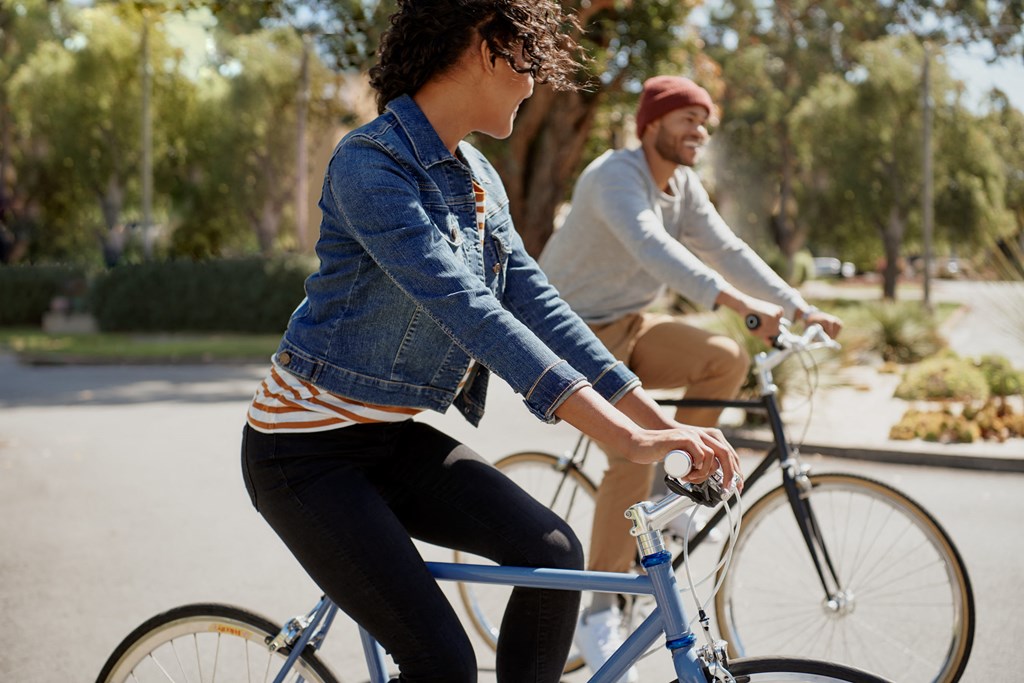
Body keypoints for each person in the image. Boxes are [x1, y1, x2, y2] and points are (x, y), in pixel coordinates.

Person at [240, 6, 741, 682]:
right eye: (528, 65)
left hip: (386, 441)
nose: (534, 84)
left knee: (556, 553)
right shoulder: (371, 166)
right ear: (486, 50)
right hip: (301, 455)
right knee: (442, 661)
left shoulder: (476, 177)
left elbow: (539, 308)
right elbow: (471, 312)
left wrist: (656, 422)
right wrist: (622, 439)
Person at [538, 75, 843, 680]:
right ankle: (598, 610)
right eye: (687, 119)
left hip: (628, 322)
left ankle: (670, 493)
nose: (699, 132)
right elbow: (656, 251)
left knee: (722, 359)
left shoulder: (682, 186)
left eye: (705, 122)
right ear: (651, 125)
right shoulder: (612, 176)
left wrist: (797, 305)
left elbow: (727, 249)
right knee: (634, 452)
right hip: (570, 331)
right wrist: (740, 306)